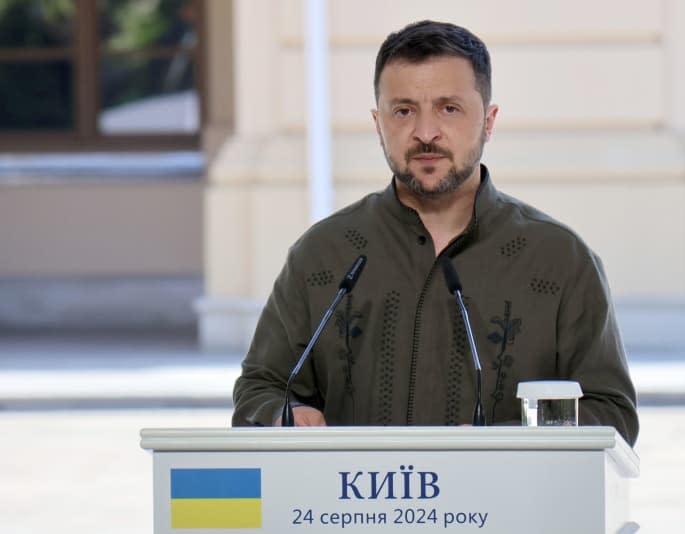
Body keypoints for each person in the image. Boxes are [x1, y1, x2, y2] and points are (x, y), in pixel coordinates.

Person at [232, 20, 639, 445]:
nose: (425, 133)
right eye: (403, 111)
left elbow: (611, 413)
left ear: (489, 120)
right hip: (353, 510)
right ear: (378, 123)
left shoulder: (560, 260)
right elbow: (259, 390)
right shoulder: (323, 254)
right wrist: (286, 415)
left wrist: (501, 443)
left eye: (449, 108)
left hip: (508, 510)